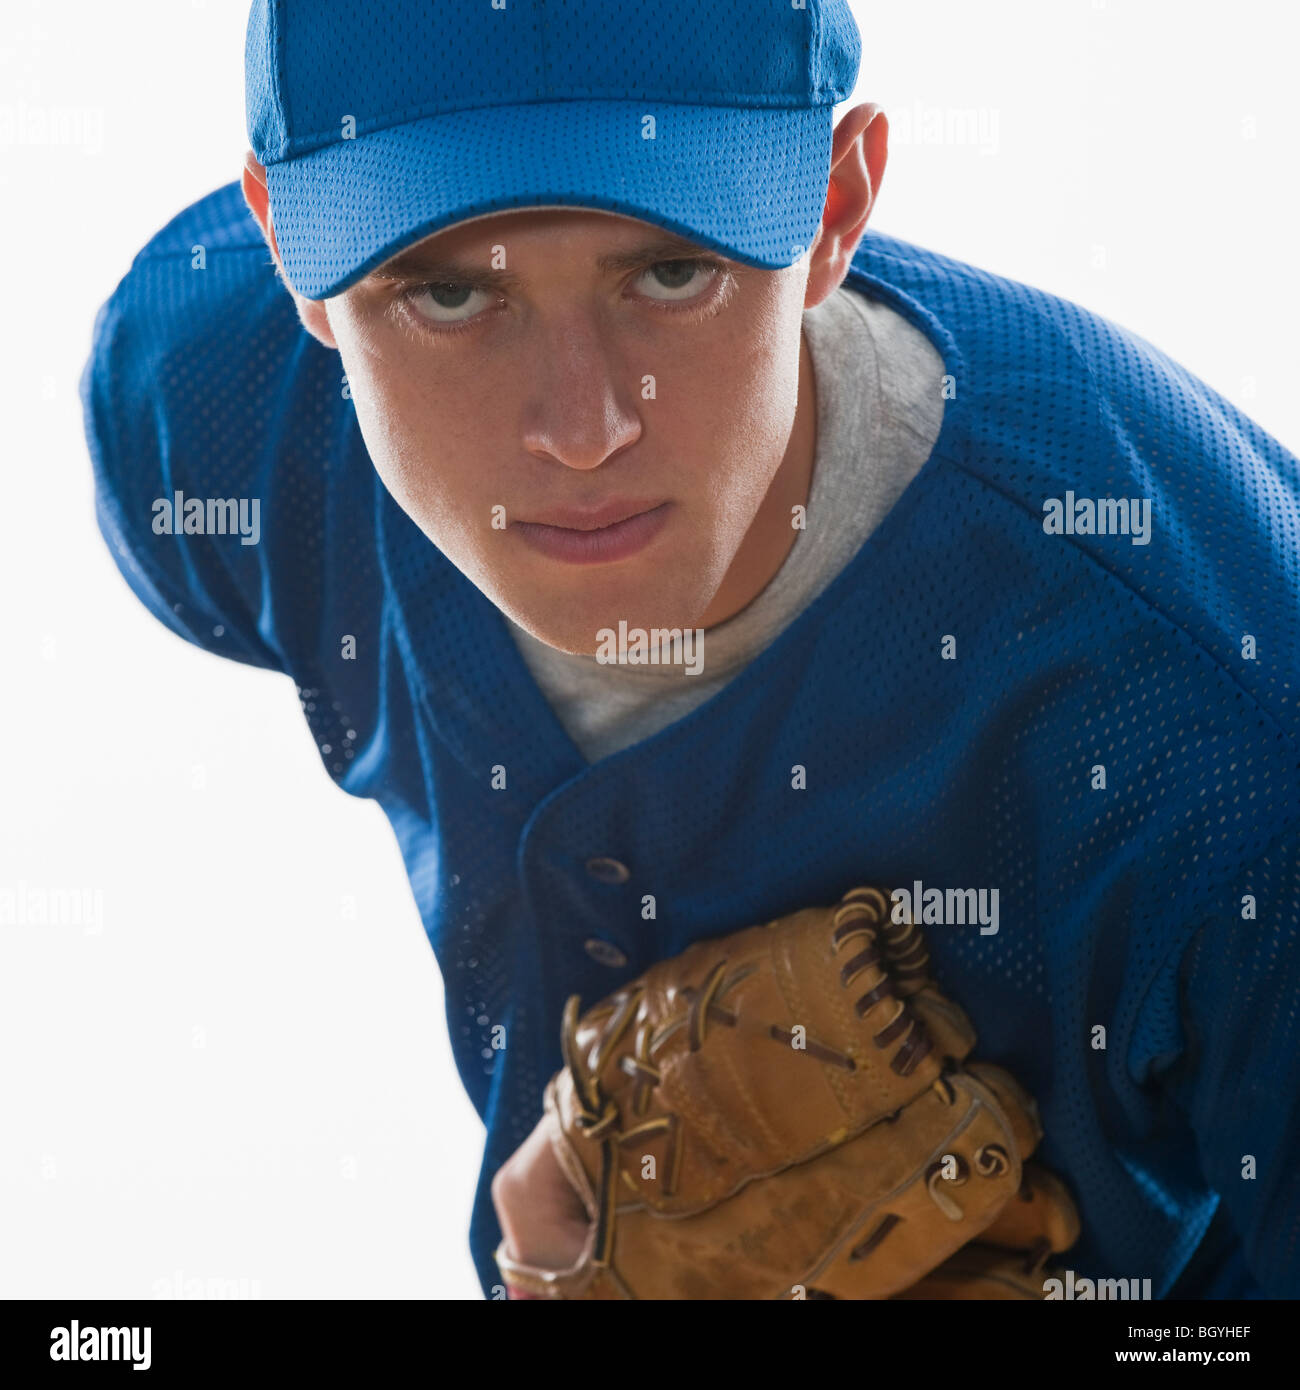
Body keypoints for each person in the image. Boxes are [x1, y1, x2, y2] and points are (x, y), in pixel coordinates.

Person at [81, 0, 1300, 1299]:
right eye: (448, 288)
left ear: (837, 203)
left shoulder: (1221, 747)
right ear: (285, 251)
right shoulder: (207, 419)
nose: (583, 426)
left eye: (671, 270)